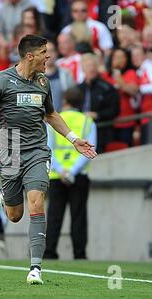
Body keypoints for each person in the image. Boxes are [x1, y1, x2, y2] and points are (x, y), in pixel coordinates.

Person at [0, 35, 97, 285]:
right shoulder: (1, 82)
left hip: (37, 151)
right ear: (30, 56)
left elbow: (51, 115)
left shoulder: (42, 82)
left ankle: (35, 268)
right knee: (15, 214)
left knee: (36, 202)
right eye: (44, 52)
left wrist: (74, 139)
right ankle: (7, 195)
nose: (48, 57)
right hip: (10, 153)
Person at [44, 86, 97, 260]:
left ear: (65, 101)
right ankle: (79, 254)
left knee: (54, 217)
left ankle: (49, 252)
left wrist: (61, 170)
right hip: (79, 175)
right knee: (79, 216)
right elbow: (90, 149)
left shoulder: (55, 120)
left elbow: (49, 148)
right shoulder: (87, 122)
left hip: (56, 175)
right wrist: (72, 171)